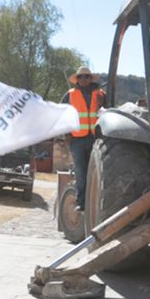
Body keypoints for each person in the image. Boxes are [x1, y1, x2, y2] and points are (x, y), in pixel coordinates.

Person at [62, 66, 104, 211]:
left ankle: (96, 202)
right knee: (81, 171)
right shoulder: (70, 95)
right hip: (77, 139)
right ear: (77, 79)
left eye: (87, 76)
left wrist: (103, 101)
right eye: (81, 77)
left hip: (94, 138)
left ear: (90, 79)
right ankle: (81, 202)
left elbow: (108, 110)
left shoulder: (100, 94)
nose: (84, 79)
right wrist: (66, 136)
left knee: (95, 171)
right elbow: (62, 116)